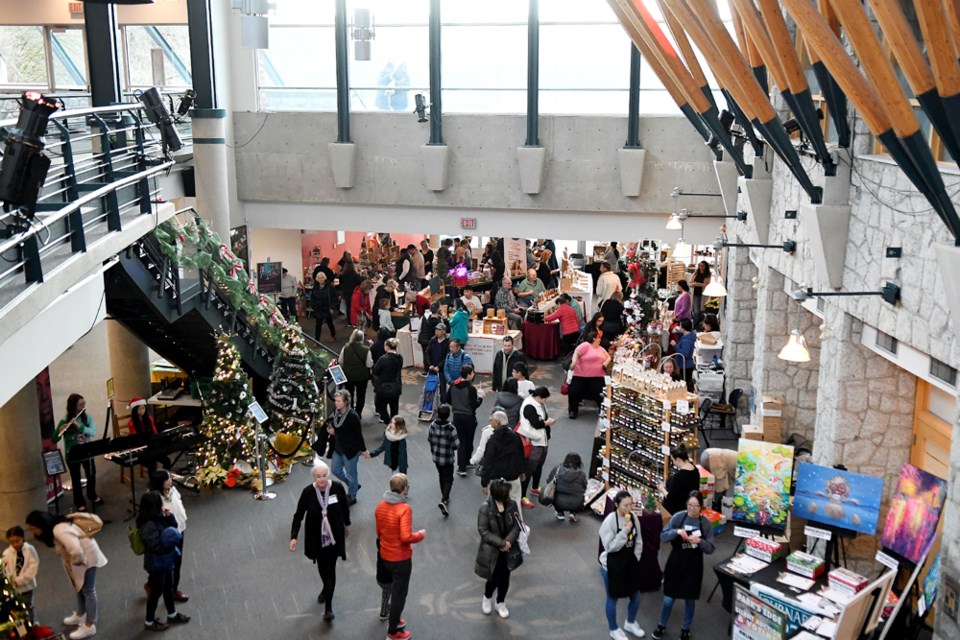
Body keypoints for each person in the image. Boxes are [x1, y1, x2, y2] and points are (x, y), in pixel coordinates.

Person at [25, 510, 108, 640]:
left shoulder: (59, 530)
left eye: (34, 528)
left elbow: (75, 549)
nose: (33, 532)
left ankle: (90, 625)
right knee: (78, 587)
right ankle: (81, 614)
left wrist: (76, 562)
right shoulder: (54, 527)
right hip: (78, 559)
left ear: (42, 525)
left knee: (88, 590)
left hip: (86, 557)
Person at [290, 461, 352, 622]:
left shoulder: (337, 488)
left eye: (324, 476)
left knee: (331, 569)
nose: (322, 480)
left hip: (334, 538)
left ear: (328, 476)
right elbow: (298, 515)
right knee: (322, 569)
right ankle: (326, 588)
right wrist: (294, 536)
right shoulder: (308, 492)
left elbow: (345, 508)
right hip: (316, 539)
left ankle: (328, 607)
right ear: (314, 478)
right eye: (318, 477)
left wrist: (347, 524)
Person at [652, 492, 716, 640]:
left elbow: (711, 548)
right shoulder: (678, 517)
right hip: (676, 562)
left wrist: (700, 542)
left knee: (690, 599)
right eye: (690, 505)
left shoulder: (705, 524)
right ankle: (661, 625)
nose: (693, 509)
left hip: (693, 566)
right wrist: (677, 531)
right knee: (668, 598)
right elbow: (663, 535)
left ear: (701, 506)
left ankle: (685, 629)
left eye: (696, 506)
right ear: (686, 504)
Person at [375, 474, 426, 640]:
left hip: (385, 555)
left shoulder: (380, 505)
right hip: (400, 559)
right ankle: (393, 631)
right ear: (405, 489)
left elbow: (378, 532)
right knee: (399, 595)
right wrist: (419, 535)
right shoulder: (404, 509)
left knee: (392, 590)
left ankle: (394, 619)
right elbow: (406, 537)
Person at [138, 491, 190, 632]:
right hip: (156, 564)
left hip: (165, 561)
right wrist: (169, 543)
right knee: (156, 592)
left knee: (168, 587)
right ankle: (149, 621)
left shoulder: (159, 518)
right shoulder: (148, 526)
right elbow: (156, 546)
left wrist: (169, 516)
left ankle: (172, 614)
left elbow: (172, 526)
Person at [599, 491, 645, 640]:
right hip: (612, 566)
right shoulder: (610, 521)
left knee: (636, 596)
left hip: (629, 564)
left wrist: (635, 558)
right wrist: (625, 531)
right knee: (612, 598)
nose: (629, 508)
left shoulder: (633, 518)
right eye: (626, 505)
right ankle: (613, 629)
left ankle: (630, 622)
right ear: (617, 505)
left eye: (631, 504)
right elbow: (610, 547)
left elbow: (638, 540)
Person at [475, 478, 522, 620]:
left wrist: (508, 542)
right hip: (492, 551)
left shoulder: (512, 505)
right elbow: (483, 531)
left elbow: (517, 525)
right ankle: (487, 597)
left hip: (508, 550)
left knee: (505, 578)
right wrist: (501, 543)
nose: (509, 496)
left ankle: (500, 602)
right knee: (493, 578)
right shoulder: (485, 509)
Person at [53, 394, 101, 512]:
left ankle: (92, 494)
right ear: (73, 406)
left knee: (91, 475)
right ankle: (79, 502)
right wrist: (60, 430)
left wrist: (80, 427)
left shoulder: (87, 418)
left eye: (84, 403)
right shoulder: (64, 420)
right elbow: (54, 439)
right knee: (76, 478)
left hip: (87, 452)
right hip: (73, 454)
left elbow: (93, 432)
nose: (83, 406)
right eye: (80, 405)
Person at [323, 390, 370, 505]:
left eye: (339, 401)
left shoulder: (353, 416)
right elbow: (335, 424)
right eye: (336, 400)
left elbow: (358, 435)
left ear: (346, 402)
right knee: (335, 470)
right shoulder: (337, 412)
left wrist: (363, 450)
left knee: (351, 474)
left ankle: (352, 496)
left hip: (350, 451)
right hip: (339, 448)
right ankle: (353, 485)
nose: (336, 403)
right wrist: (331, 428)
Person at [149, 470, 189, 603]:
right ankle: (156, 585)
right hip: (166, 537)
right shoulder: (154, 498)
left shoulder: (173, 491)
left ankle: (174, 589)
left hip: (179, 531)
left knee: (177, 561)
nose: (170, 481)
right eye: (167, 479)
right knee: (165, 565)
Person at [517, 386, 555, 508]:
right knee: (529, 470)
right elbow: (536, 424)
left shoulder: (539, 404)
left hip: (542, 440)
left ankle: (534, 487)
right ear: (539, 397)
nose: (546, 402)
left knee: (538, 466)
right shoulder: (529, 406)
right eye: (545, 399)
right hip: (534, 442)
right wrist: (547, 423)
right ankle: (522, 496)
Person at [479, 415, 525, 505]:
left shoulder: (493, 440)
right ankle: (515, 518)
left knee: (494, 504)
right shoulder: (515, 437)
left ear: (497, 422)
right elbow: (520, 455)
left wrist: (484, 483)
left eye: (491, 419)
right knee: (515, 501)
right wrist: (521, 471)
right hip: (513, 476)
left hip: (497, 479)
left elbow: (488, 462)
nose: (490, 420)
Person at [449, 363, 485, 477]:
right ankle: (466, 463)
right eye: (472, 372)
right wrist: (481, 398)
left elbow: (447, 399)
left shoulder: (453, 385)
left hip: (456, 416)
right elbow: (474, 405)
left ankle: (462, 466)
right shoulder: (471, 388)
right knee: (469, 440)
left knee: (461, 441)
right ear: (469, 374)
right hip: (469, 417)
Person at [566, 331, 612, 419]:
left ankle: (602, 409)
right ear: (594, 338)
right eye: (599, 338)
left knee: (600, 392)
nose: (600, 340)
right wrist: (574, 362)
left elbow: (608, 357)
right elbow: (577, 353)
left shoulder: (601, 348)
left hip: (598, 375)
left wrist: (605, 363)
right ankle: (573, 410)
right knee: (574, 391)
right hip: (581, 375)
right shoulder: (585, 345)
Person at [427, 404, 460, 517]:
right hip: (447, 457)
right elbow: (456, 445)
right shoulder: (451, 428)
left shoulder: (432, 425)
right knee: (449, 477)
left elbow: (429, 439)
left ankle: (444, 494)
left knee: (441, 475)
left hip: (436, 456)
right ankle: (444, 499)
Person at [3, 526, 38, 624]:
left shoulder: (30, 550)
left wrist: (20, 580)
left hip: (27, 585)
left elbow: (33, 567)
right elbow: (6, 569)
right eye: (11, 542)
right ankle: (22, 627)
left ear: (23, 537)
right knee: (16, 608)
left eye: (17, 541)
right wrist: (10, 581)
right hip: (13, 587)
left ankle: (33, 622)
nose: (15, 544)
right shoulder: (6, 553)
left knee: (29, 605)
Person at [658, 446, 701, 516]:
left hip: (675, 513)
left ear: (678, 460)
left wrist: (662, 489)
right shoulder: (695, 470)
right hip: (687, 509)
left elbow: (670, 498)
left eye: (673, 460)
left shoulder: (679, 477)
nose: (673, 463)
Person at [340, 330, 373, 419]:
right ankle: (358, 413)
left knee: (349, 394)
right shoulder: (366, 349)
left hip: (348, 376)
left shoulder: (346, 348)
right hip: (362, 377)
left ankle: (349, 411)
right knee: (361, 395)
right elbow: (369, 364)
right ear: (362, 338)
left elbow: (340, 361)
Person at [546, 452, 588, 523]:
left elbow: (549, 481)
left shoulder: (558, 469)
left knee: (554, 492)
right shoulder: (582, 474)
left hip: (559, 502)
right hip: (577, 503)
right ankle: (573, 513)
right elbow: (585, 487)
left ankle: (560, 512)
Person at [373, 337, 404, 425]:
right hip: (396, 386)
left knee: (380, 406)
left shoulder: (383, 359)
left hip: (383, 387)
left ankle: (388, 423)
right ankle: (394, 425)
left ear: (387, 346)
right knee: (394, 408)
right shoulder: (400, 357)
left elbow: (375, 371)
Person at [470, 410, 507, 478]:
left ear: (496, 421)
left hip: (491, 462)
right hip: (504, 463)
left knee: (490, 483)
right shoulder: (510, 432)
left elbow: (482, 449)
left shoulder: (487, 432)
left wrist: (473, 460)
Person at [442, 339, 473, 403]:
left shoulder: (465, 356)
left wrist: (457, 382)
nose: (450, 349)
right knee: (452, 402)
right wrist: (450, 381)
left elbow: (466, 372)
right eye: (450, 347)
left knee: (463, 402)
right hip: (452, 384)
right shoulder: (448, 356)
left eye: (452, 347)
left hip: (462, 385)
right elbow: (446, 370)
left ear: (458, 347)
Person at [425, 322, 451, 397]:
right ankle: (430, 403)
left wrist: (439, 367)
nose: (436, 331)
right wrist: (430, 364)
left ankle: (443, 404)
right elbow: (427, 352)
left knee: (442, 386)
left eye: (439, 330)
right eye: (436, 330)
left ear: (444, 331)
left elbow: (447, 356)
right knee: (430, 386)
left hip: (442, 368)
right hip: (432, 367)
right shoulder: (433, 339)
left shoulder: (447, 341)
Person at [418, 303, 442, 376]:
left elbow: (419, 328)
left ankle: (426, 370)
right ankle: (432, 370)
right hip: (430, 340)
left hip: (423, 339)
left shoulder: (425, 317)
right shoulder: (438, 321)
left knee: (426, 355)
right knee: (432, 355)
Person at [312, 272, 337, 340]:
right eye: (319, 278)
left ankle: (333, 335)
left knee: (329, 323)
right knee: (318, 325)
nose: (321, 279)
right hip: (318, 309)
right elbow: (313, 297)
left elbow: (334, 297)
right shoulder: (315, 287)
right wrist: (313, 306)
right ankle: (317, 340)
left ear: (325, 278)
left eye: (322, 277)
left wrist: (332, 307)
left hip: (327, 308)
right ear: (317, 279)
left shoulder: (329, 287)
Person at [675, 318, 696, 392]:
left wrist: (675, 345)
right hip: (687, 365)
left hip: (684, 366)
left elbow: (685, 354)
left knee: (683, 384)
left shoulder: (686, 341)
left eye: (680, 326)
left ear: (683, 327)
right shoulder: (690, 337)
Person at [338, 261, 363, 325]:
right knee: (355, 307)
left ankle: (349, 321)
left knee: (348, 307)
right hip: (354, 292)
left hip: (346, 292)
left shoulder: (342, 275)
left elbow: (340, 284)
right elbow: (360, 282)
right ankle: (355, 320)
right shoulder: (355, 275)